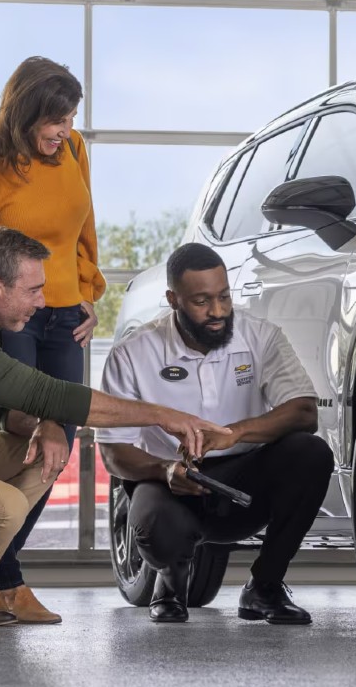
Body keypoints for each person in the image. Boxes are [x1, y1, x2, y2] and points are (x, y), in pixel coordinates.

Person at [0, 228, 229, 627]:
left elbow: (6, 407)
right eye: (33, 290)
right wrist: (165, 415)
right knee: (3, 508)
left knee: (38, 456)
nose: (42, 303)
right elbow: (43, 391)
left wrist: (47, 424)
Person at [0, 56, 104, 623]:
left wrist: (86, 291)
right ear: (27, 112)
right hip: (15, 316)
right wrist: (5, 306)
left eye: (71, 116)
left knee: (60, 441)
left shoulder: (75, 150)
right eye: (55, 119)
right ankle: (2, 580)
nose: (65, 129)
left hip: (65, 318)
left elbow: (85, 228)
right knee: (18, 435)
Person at [97, 243, 332, 625]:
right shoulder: (133, 352)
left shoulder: (261, 336)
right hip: (171, 481)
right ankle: (170, 583)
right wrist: (164, 470)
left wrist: (235, 433)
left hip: (244, 480)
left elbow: (304, 412)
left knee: (312, 453)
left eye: (224, 297)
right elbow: (113, 453)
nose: (218, 312)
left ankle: (265, 587)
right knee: (158, 528)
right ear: (173, 299)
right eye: (202, 301)